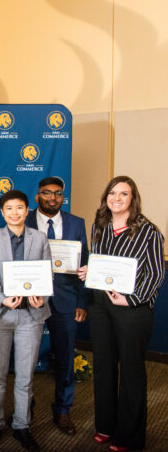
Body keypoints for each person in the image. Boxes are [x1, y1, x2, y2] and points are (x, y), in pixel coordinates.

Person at [78, 176, 164, 451]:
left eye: (123, 194)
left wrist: (132, 298)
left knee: (130, 370)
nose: (116, 198)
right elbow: (102, 265)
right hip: (101, 305)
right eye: (112, 193)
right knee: (103, 366)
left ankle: (129, 435)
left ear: (132, 199)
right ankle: (106, 425)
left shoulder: (148, 231)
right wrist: (89, 272)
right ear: (106, 197)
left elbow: (155, 272)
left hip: (132, 309)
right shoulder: (99, 226)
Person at [0, 190, 50, 451]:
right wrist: (2, 298)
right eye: (9, 208)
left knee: (25, 376)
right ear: (2, 212)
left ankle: (22, 425)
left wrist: (40, 296)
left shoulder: (40, 238)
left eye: (19, 208)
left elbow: (46, 272)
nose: (14, 213)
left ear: (27, 210)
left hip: (31, 317)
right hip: (0, 314)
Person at [24, 177, 88, 435]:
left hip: (66, 300)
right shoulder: (23, 219)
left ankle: (63, 410)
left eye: (58, 193)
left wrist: (82, 301)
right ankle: (24, 407)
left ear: (64, 196)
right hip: (31, 298)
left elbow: (85, 264)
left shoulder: (77, 223)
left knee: (65, 359)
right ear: (37, 196)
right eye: (46, 193)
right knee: (25, 358)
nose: (52, 198)